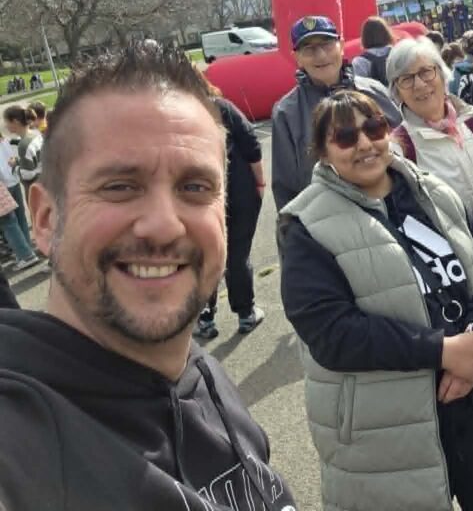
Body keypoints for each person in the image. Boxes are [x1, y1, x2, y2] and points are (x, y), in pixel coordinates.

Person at [0, 43, 296, 509]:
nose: (164, 225)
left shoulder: (205, 377)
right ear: (45, 219)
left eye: (194, 187)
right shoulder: (18, 438)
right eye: (120, 186)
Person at [279, 90, 473, 511]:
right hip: (388, 426)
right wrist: (443, 352)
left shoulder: (432, 191)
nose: (365, 143)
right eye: (345, 137)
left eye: (374, 128)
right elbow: (330, 333)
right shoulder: (306, 224)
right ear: (322, 153)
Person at [271, 14, 401, 211]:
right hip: (329, 216)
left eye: (327, 45)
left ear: (341, 45)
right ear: (297, 57)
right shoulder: (287, 113)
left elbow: (406, 144)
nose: (321, 55)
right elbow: (286, 186)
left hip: (392, 206)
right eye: (309, 49)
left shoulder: (373, 91)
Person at [193, 74, 267, 339]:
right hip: (238, 189)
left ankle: (204, 317)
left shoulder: (172, 114)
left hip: (199, 195)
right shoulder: (221, 107)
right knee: (237, 252)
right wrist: (260, 182)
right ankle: (246, 312)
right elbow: (251, 144)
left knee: (203, 254)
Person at [387, 38, 473, 214]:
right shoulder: (399, 148)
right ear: (397, 91)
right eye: (406, 79)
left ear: (442, 74)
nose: (419, 84)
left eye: (426, 72)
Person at [0, 130, 37, 271]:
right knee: (20, 218)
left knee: (8, 222)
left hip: (3, 185)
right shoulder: (4, 140)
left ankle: (25, 255)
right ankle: (26, 248)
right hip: (13, 180)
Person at [3, 105, 44, 224]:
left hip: (35, 190)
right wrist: (19, 161)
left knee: (39, 221)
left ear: (15, 122)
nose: (5, 126)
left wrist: (14, 166)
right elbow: (35, 161)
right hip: (45, 182)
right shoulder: (35, 134)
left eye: (7, 122)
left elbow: (28, 174)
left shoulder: (23, 145)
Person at [352, 15, 396, 85]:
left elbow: (361, 86)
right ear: (386, 33)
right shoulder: (398, 53)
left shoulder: (360, 61)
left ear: (365, 36)